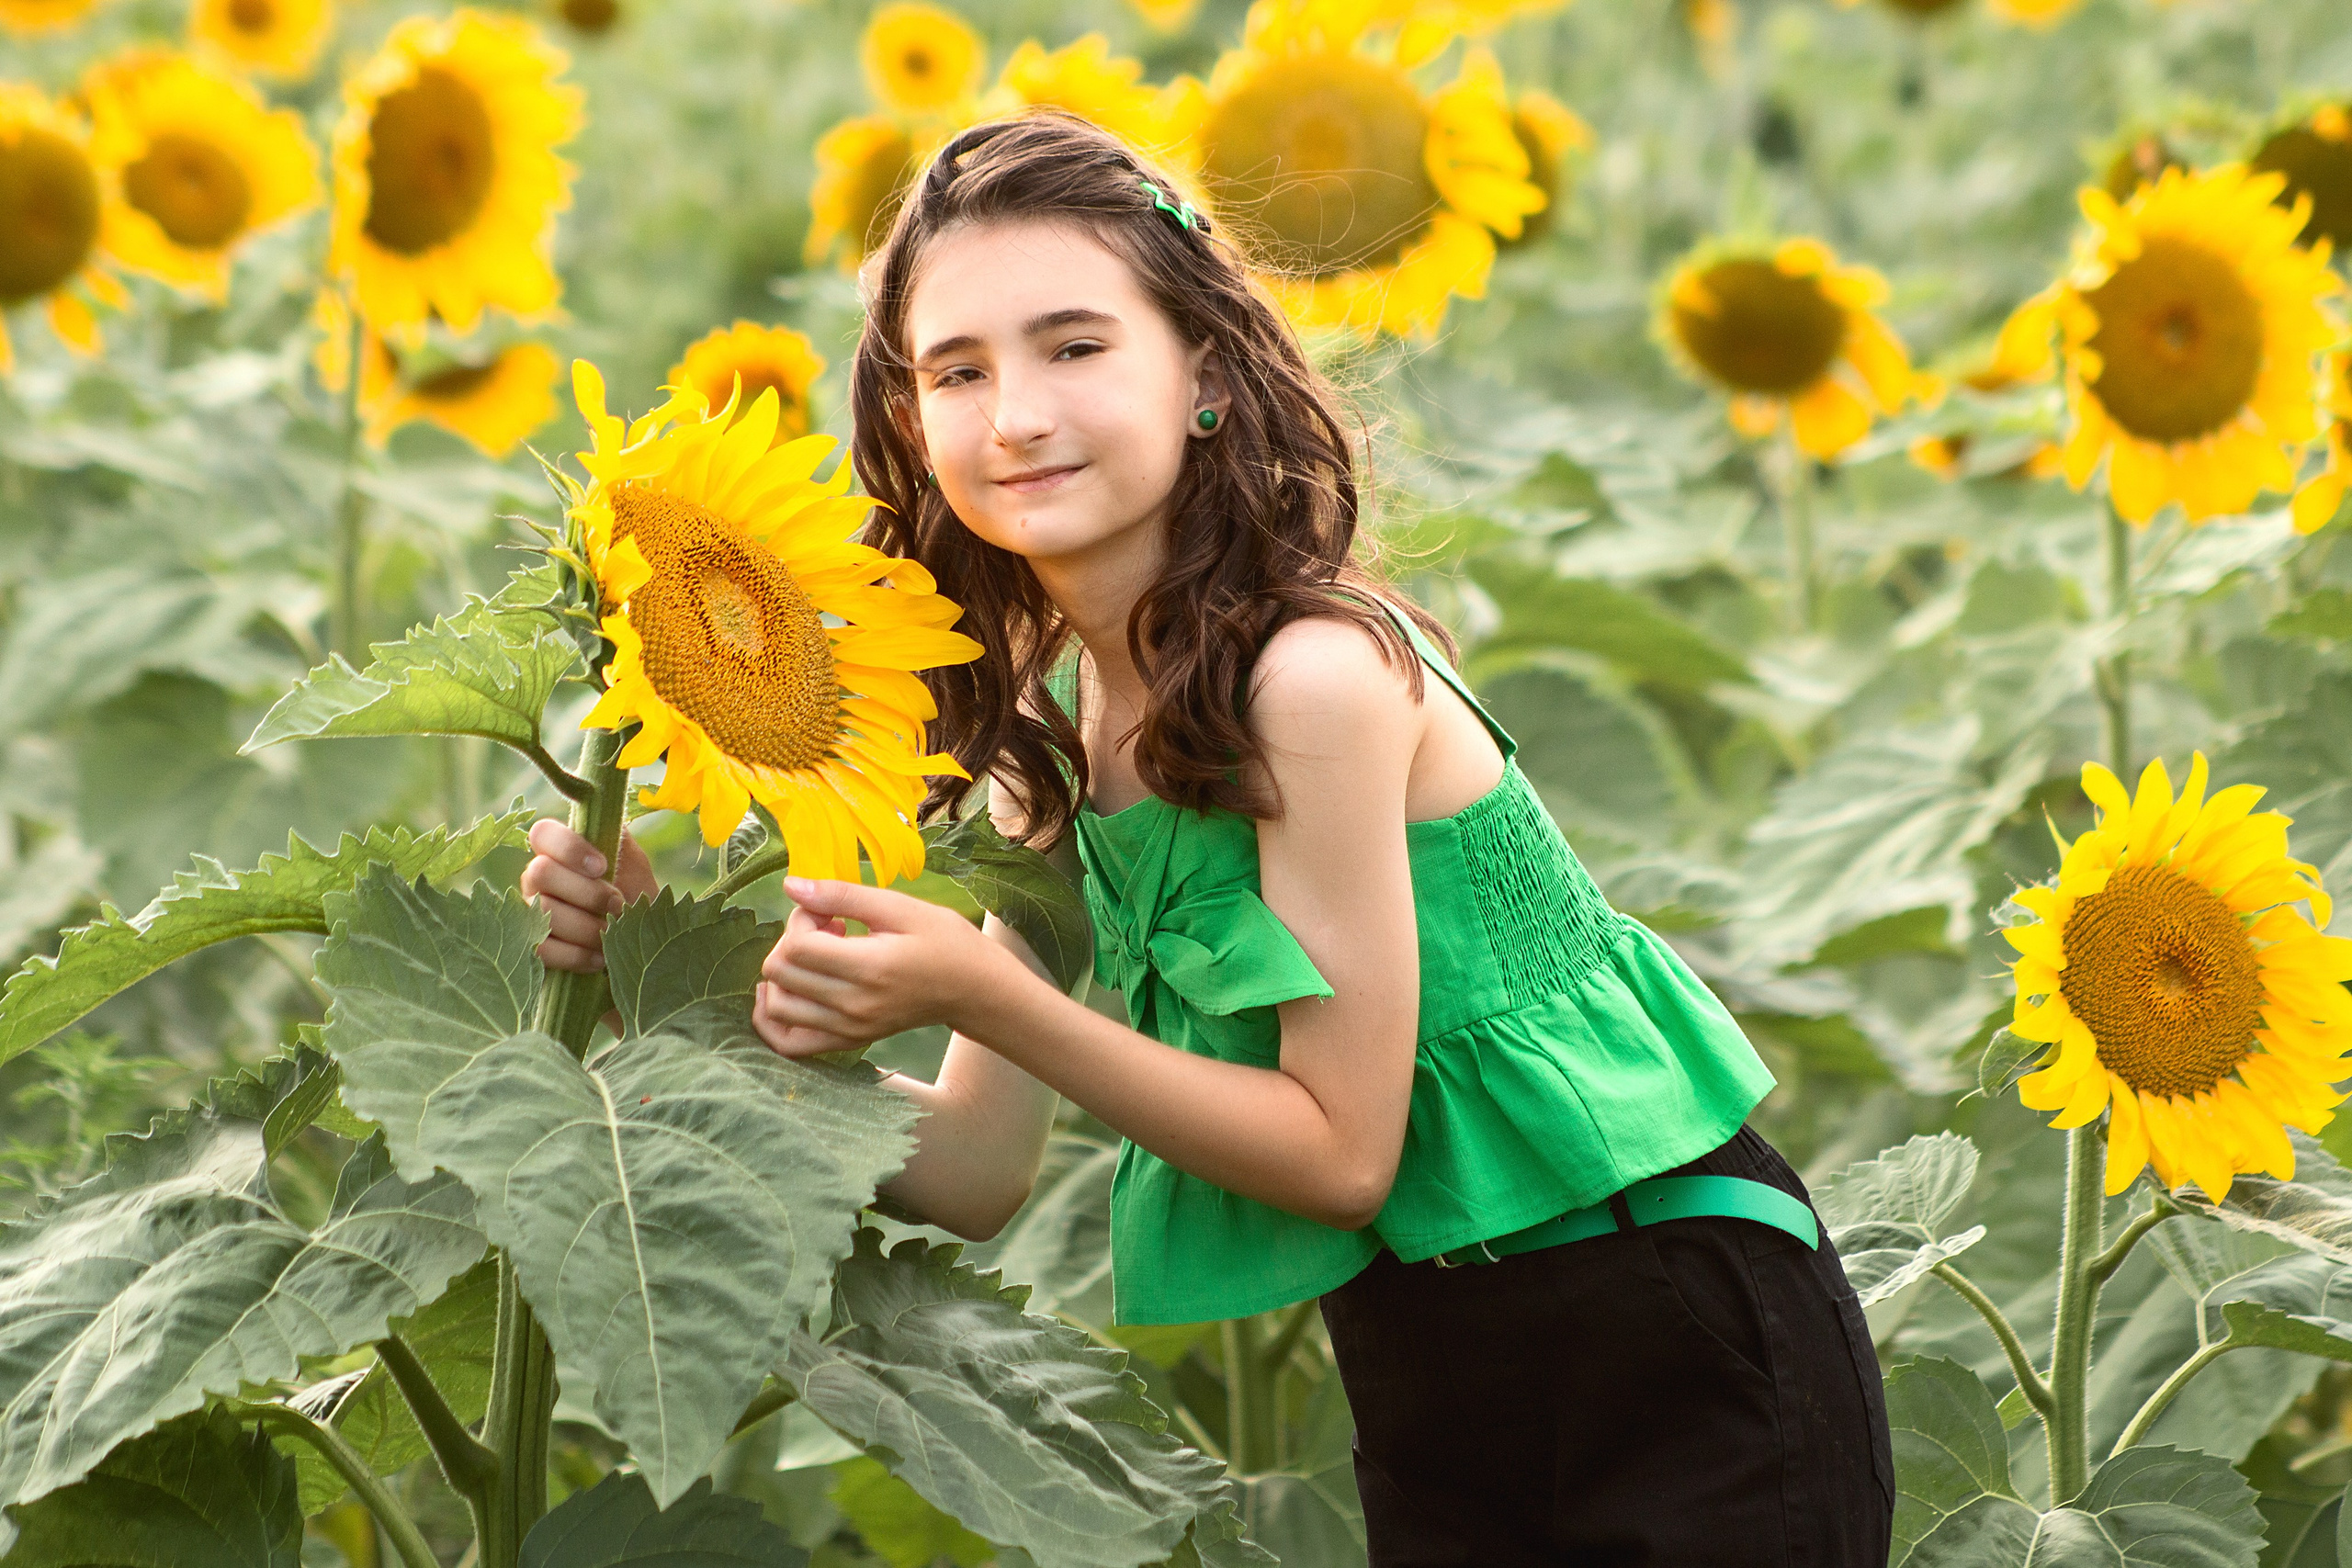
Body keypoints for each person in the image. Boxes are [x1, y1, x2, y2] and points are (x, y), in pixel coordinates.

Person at [524, 111, 1894, 1568]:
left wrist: (978, 990)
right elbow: (974, 1172)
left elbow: (1341, 1156)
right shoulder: (1058, 736)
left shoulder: (1315, 680)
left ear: (1206, 377)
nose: (1016, 415)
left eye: (1075, 346)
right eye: (957, 371)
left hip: (1673, 1331)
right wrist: (658, 977)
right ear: (912, 423)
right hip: (1427, 1354)